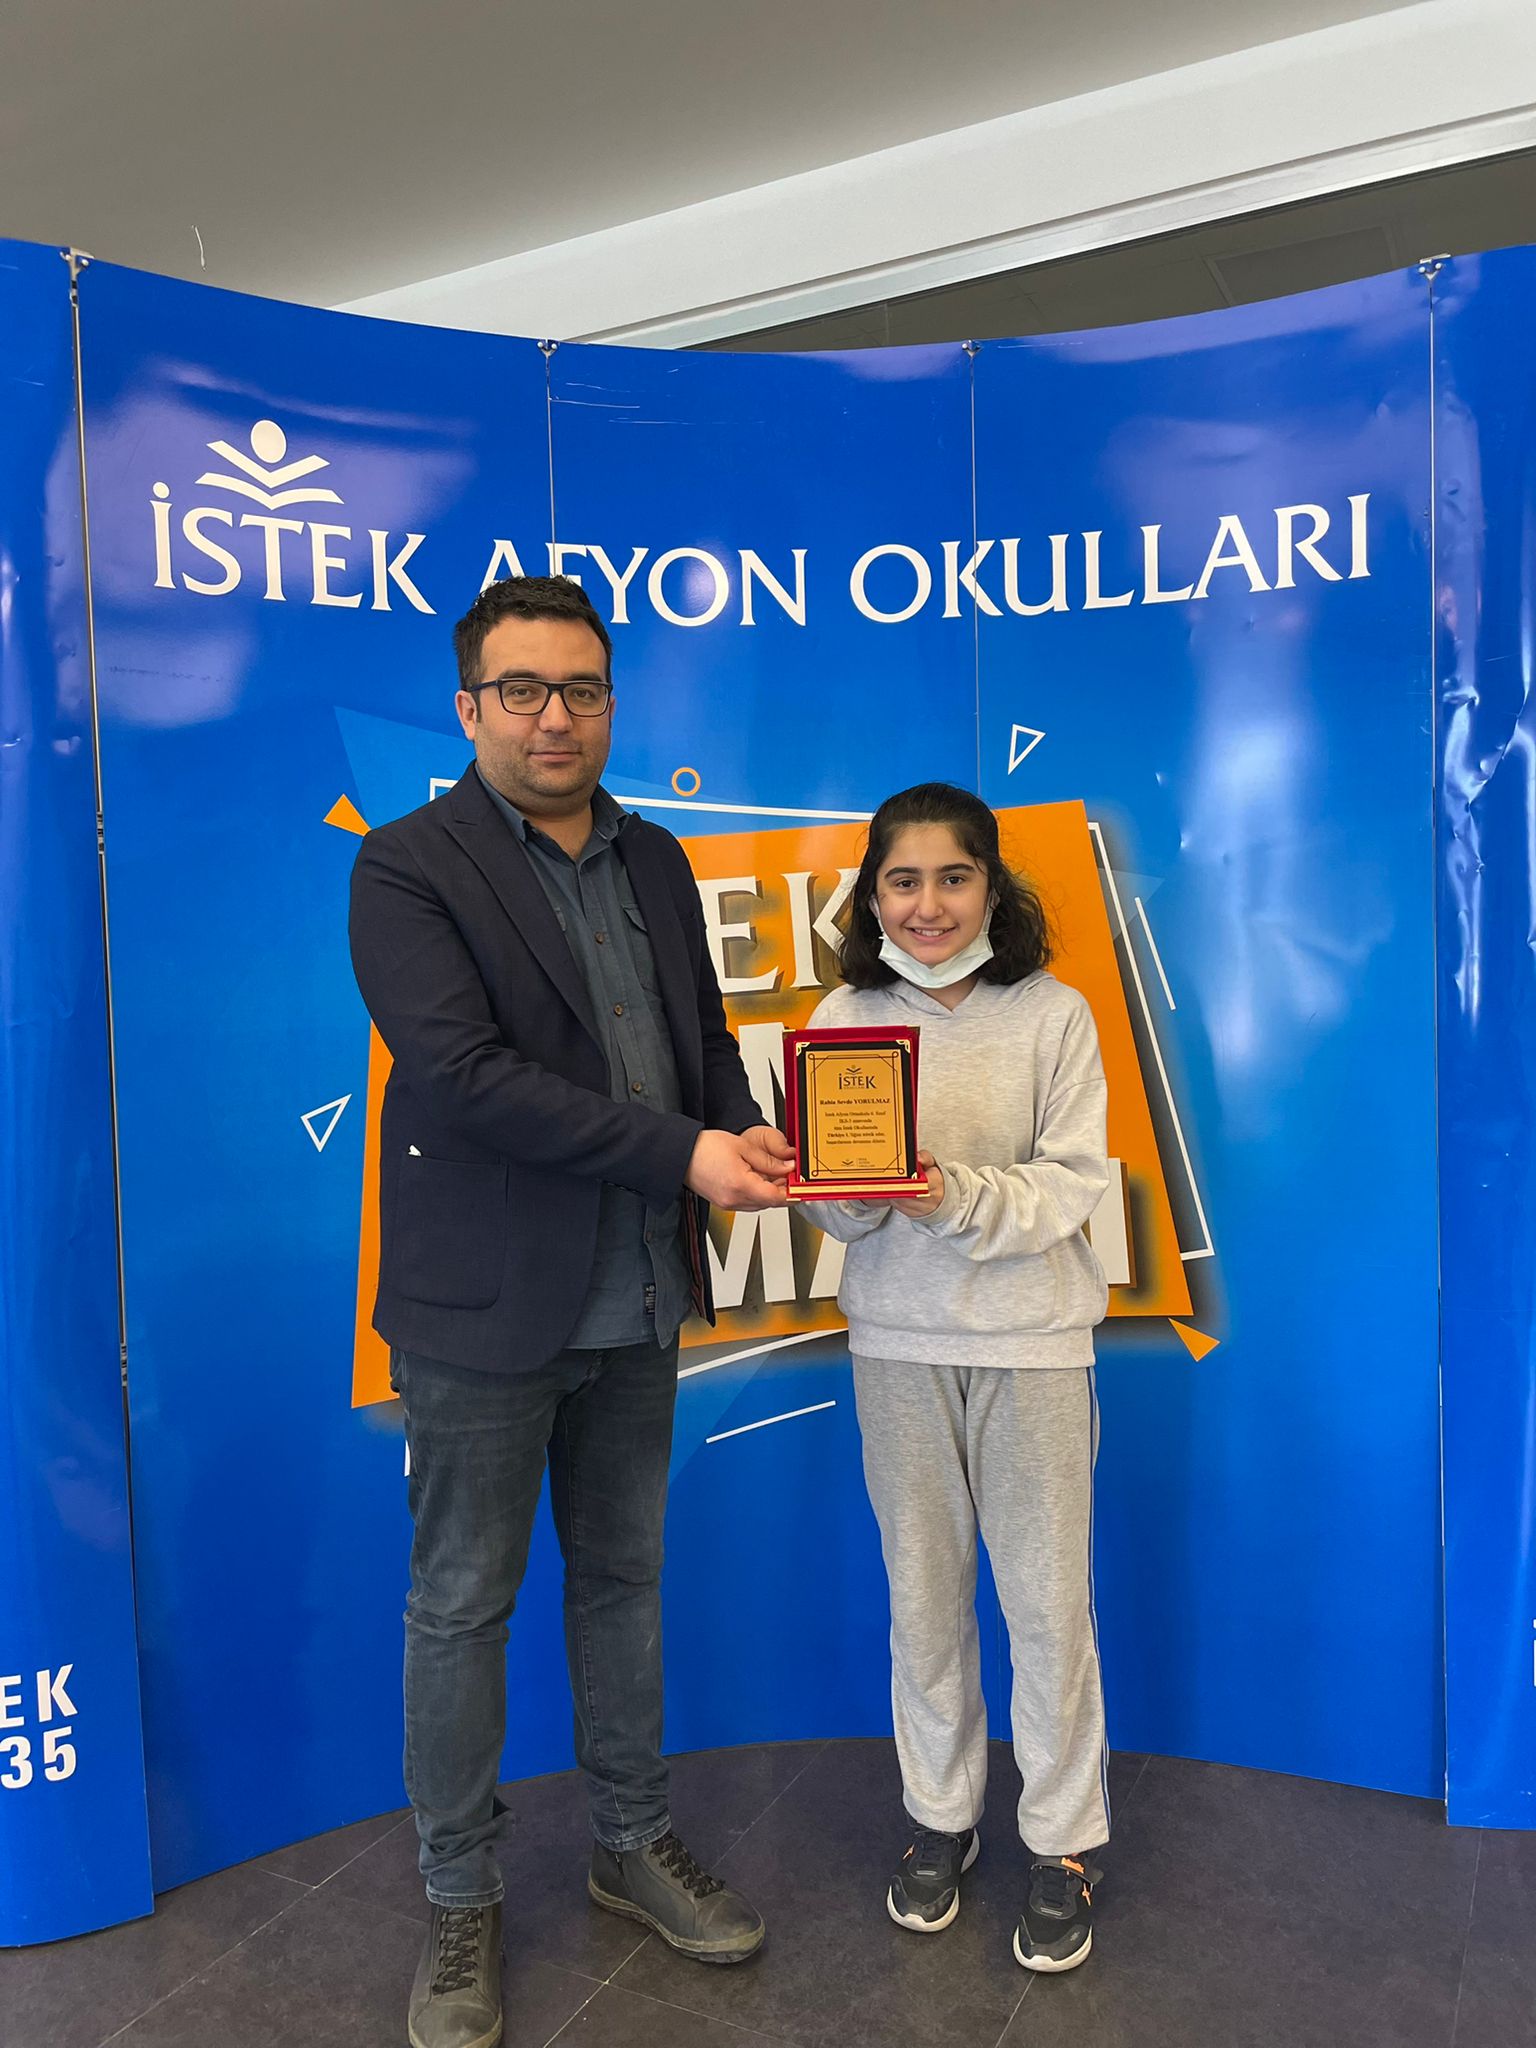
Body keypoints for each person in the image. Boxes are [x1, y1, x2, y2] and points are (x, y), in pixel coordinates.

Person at [349, 575, 792, 2048]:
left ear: (611, 702)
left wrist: (743, 1128)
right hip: (484, 1308)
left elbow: (698, 1040)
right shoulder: (406, 868)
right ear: (469, 706)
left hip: (642, 1288)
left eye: (583, 690)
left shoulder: (655, 857)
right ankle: (459, 1897)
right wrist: (685, 1151)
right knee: (462, 1604)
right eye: (524, 690)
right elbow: (468, 1080)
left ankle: (630, 1842)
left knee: (622, 1583)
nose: (557, 718)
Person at [802, 781, 1112, 1974]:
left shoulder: (1054, 1014)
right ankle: (941, 1815)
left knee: (1046, 1605)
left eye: (953, 876)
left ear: (992, 885)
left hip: (1033, 1346)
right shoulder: (842, 1013)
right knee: (923, 1600)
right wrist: (856, 1189)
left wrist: (947, 1193)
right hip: (897, 1345)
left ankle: (1063, 1840)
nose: (927, 904)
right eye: (903, 879)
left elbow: (1071, 1185)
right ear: (871, 895)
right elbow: (835, 1208)